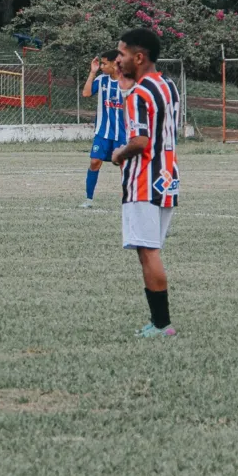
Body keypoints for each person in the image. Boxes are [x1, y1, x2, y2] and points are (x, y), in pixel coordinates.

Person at [111, 28, 179, 338]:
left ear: (139, 57)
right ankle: (160, 322)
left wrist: (119, 154)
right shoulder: (167, 86)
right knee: (151, 250)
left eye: (122, 54)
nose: (117, 60)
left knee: (148, 252)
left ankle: (162, 324)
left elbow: (140, 140)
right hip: (167, 178)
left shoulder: (138, 94)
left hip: (143, 180)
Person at [80, 49, 125, 208]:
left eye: (104, 63)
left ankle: (127, 200)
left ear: (114, 64)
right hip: (102, 132)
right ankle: (89, 199)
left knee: (124, 166)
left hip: (123, 134)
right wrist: (92, 73)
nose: (102, 66)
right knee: (94, 162)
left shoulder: (127, 82)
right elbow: (85, 93)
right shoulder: (101, 79)